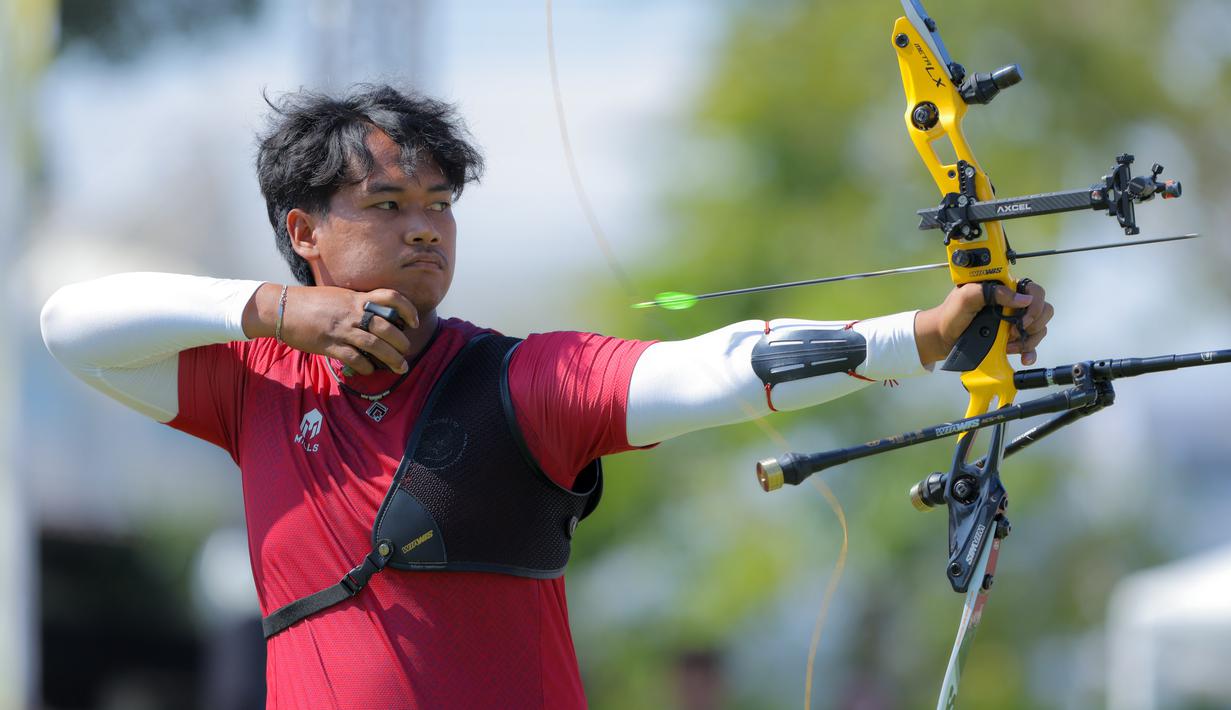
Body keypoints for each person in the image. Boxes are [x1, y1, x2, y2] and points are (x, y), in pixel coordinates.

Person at [40, 84, 1053, 709]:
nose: (425, 227)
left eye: (439, 203)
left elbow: (707, 365)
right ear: (304, 231)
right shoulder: (254, 384)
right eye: (387, 205)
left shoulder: (520, 381)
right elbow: (69, 325)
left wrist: (916, 335)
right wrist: (272, 311)